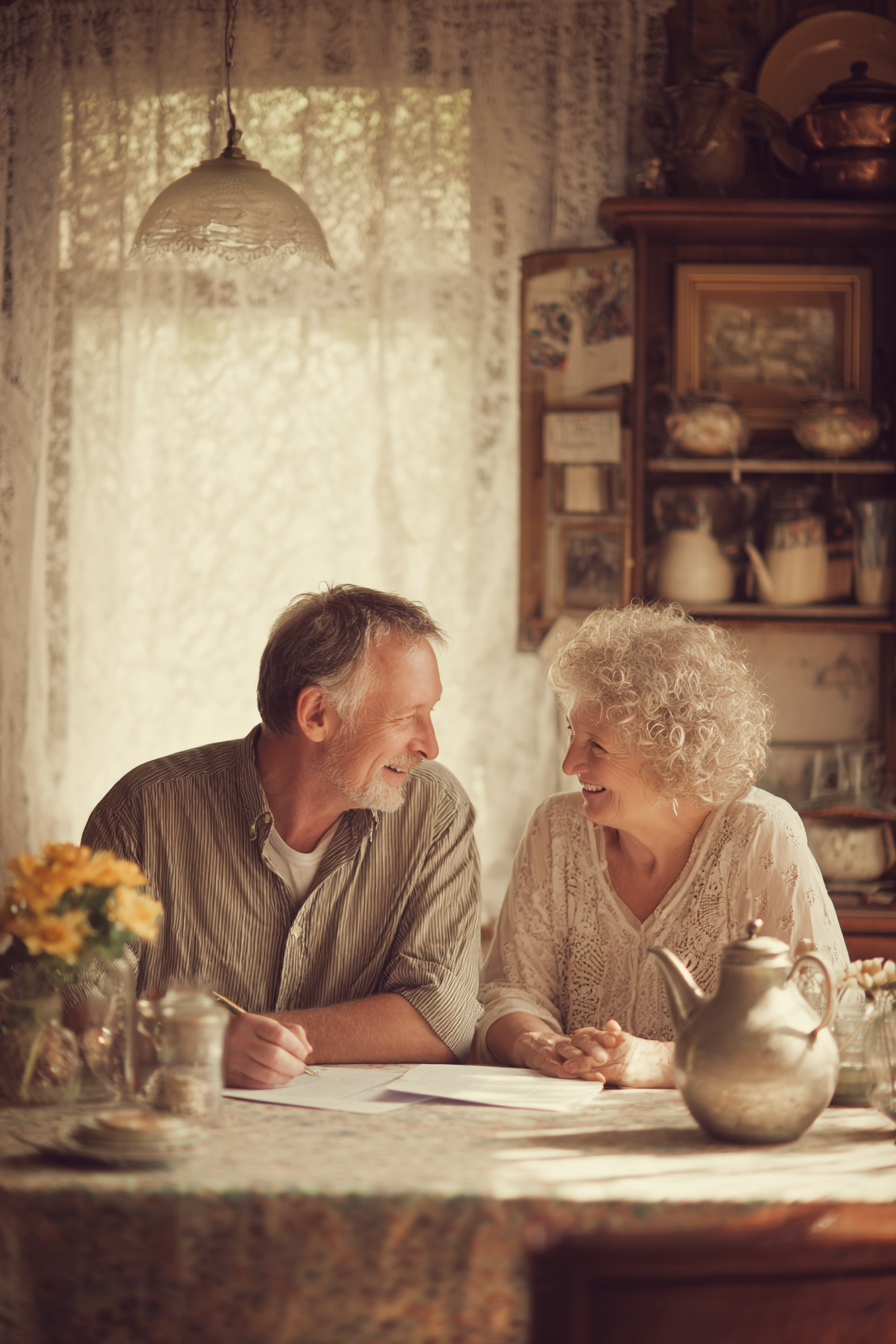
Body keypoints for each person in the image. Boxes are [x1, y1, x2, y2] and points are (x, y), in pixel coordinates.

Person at [82, 584, 482, 1088]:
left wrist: (228, 1039)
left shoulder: (435, 811)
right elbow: (82, 1010)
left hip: (364, 1147)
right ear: (316, 714)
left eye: (431, 713)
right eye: (406, 717)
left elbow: (443, 1017)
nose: (430, 744)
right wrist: (203, 1046)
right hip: (173, 1138)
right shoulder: (142, 811)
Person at [477, 602, 848, 1087]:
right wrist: (538, 1045)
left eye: (597, 745)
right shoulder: (555, 829)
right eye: (573, 732)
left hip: (710, 1140)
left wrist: (652, 1062)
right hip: (563, 1127)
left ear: (671, 753)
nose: (570, 763)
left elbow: (820, 1029)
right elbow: (509, 990)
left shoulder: (763, 834)